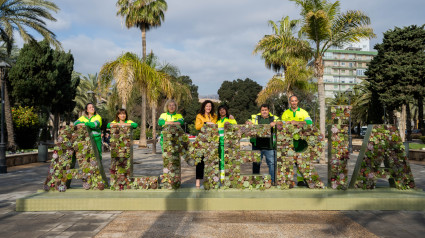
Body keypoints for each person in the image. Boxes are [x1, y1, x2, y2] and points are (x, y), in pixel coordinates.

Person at [281, 95, 312, 186]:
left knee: (300, 161)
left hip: (301, 141)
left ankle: (301, 180)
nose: (294, 103)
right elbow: (280, 124)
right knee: (288, 161)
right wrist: (285, 123)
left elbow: (310, 122)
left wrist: (297, 122)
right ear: (290, 102)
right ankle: (287, 181)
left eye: (295, 101)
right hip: (288, 141)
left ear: (297, 101)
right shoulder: (286, 113)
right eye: (292, 101)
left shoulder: (303, 112)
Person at [246, 104, 279, 184]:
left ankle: (272, 181)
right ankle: (255, 181)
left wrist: (276, 123)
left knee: (271, 164)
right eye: (262, 110)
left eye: (266, 110)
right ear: (260, 111)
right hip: (257, 145)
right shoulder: (256, 118)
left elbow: (281, 122)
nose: (264, 112)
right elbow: (247, 121)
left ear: (268, 111)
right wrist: (248, 122)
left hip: (269, 145)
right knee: (256, 163)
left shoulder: (274, 118)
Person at [195, 100, 217, 189]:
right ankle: (198, 181)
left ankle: (210, 180)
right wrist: (205, 123)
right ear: (204, 107)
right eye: (207, 106)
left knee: (211, 161)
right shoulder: (199, 116)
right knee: (200, 161)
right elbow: (197, 127)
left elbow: (217, 125)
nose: (209, 108)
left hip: (212, 141)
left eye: (210, 106)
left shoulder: (214, 116)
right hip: (202, 141)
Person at [216, 105, 237, 183]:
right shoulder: (217, 121)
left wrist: (231, 122)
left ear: (226, 111)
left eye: (224, 109)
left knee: (226, 161)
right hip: (218, 144)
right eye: (220, 110)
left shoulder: (230, 119)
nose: (222, 111)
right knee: (220, 161)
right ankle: (221, 178)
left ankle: (226, 178)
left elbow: (236, 127)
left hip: (227, 145)